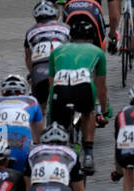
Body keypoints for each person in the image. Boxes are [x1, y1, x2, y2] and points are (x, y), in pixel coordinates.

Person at [46, 20, 109, 177]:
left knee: (56, 123)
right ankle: (88, 154)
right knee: (89, 112)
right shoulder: (97, 52)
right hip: (83, 87)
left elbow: (50, 85)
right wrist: (105, 111)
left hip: (59, 88)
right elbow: (101, 89)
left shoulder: (56, 51)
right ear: (92, 39)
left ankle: (54, 156)